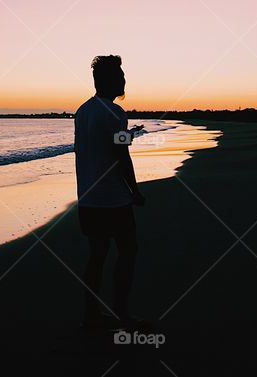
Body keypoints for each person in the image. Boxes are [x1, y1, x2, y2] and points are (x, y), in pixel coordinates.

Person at [74, 55, 145, 329]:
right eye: (120, 76)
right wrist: (135, 191)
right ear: (107, 80)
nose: (124, 80)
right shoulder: (116, 114)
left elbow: (104, 147)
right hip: (113, 199)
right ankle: (121, 315)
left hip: (88, 199)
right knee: (128, 251)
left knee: (97, 255)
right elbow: (121, 155)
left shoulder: (83, 111)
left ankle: (91, 315)